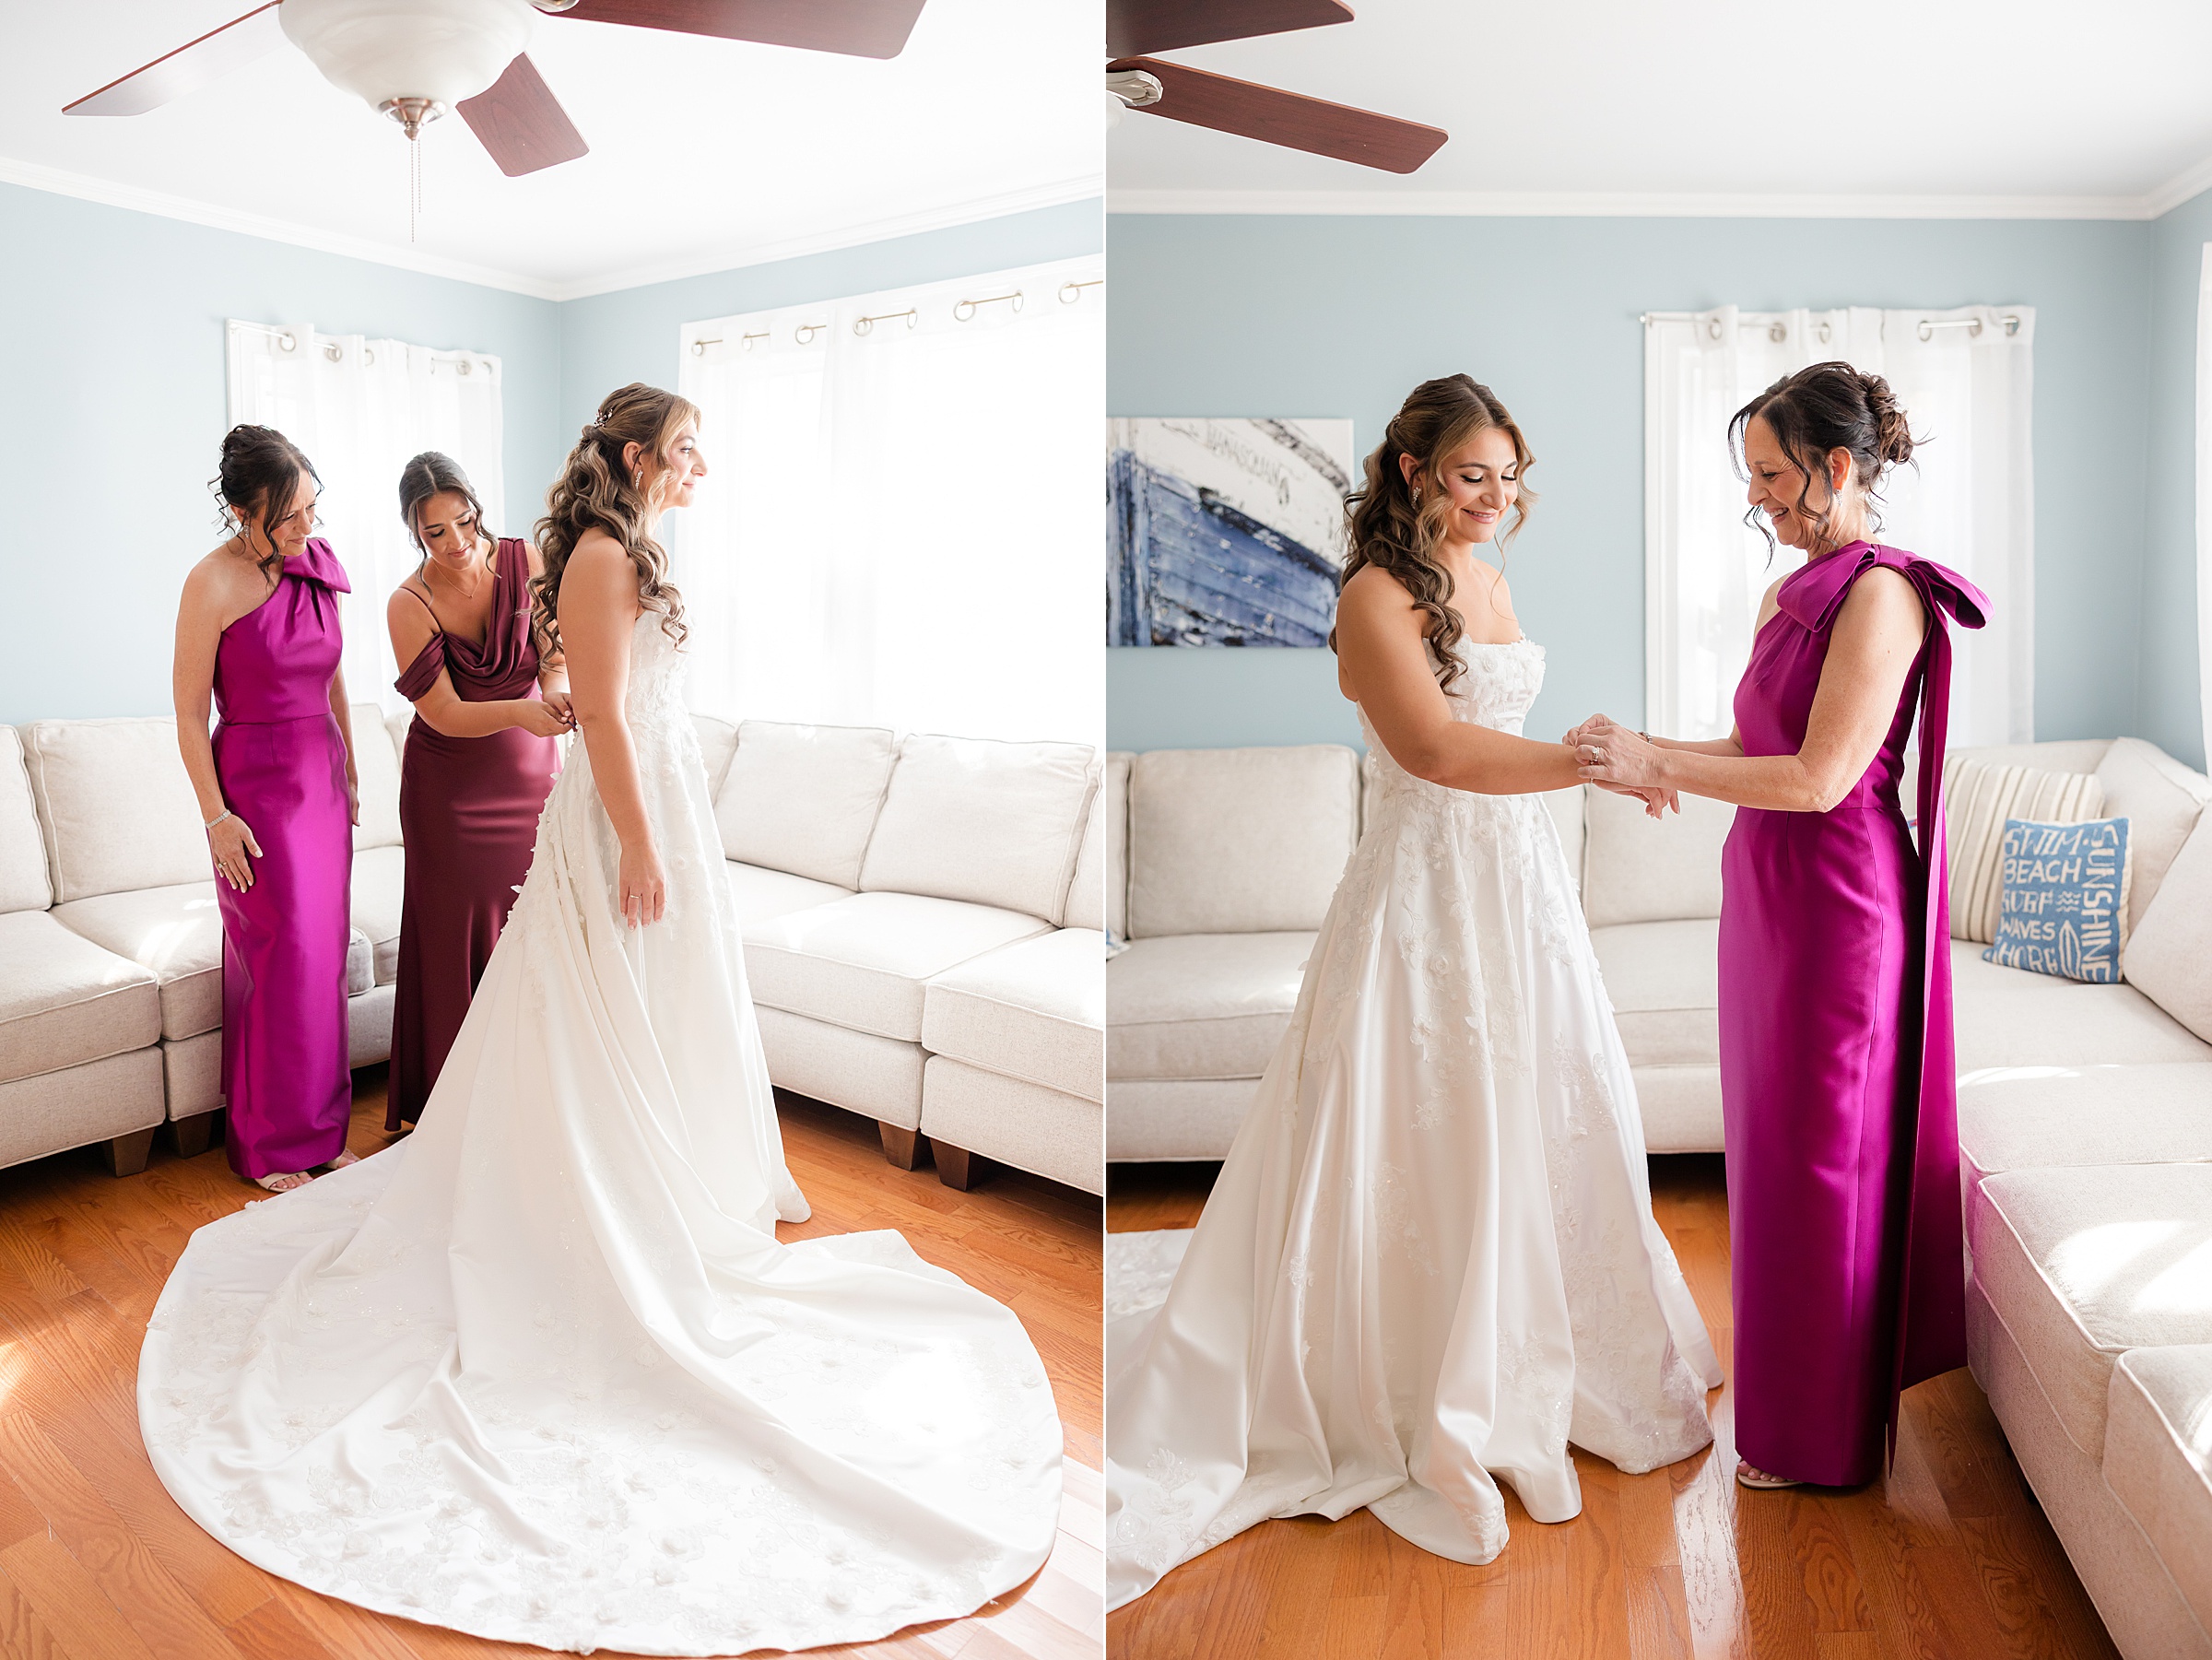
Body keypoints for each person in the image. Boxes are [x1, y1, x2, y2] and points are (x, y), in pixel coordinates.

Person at [138, 384, 1062, 1655]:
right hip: (603, 804)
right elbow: (602, 715)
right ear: (634, 457)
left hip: (630, 795)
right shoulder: (593, 552)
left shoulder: (591, 554)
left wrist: (624, 784)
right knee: (565, 1010)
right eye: (686, 452)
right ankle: (558, 1196)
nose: (700, 470)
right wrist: (633, 834)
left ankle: (667, 1187)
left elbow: (597, 685)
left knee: (648, 1011)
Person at [1105, 374, 1719, 1610]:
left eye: (1507, 475)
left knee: (1544, 1108)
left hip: (1518, 884)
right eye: (1469, 475)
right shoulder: (1375, 595)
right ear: (1410, 474)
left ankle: (1549, 1343)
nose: (1495, 497)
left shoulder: (1485, 577)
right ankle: (1414, 1371)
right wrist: (1592, 761)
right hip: (1425, 893)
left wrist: (1584, 760)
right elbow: (1437, 749)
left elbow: (1494, 722)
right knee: (1428, 1118)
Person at [1571, 361, 1984, 1489]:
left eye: (1768, 474)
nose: (1755, 497)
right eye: (1749, 474)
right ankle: (1791, 1411)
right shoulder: (1790, 592)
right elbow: (1755, 744)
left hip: (1843, 910)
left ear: (1836, 466)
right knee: (1772, 1158)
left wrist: (1664, 765)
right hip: (1767, 899)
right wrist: (1642, 750)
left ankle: (1826, 1442)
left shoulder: (1883, 598)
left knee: (1824, 1168)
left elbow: (1818, 778)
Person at [172, 426, 362, 1193]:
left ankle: (321, 1133)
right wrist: (216, 817)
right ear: (238, 509)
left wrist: (350, 767)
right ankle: (268, 1145)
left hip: (320, 777)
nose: (304, 528)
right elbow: (188, 714)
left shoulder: (316, 566)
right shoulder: (209, 582)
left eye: (311, 508)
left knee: (323, 957)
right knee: (276, 959)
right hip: (253, 787)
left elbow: (335, 674)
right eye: (286, 515)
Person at [384, 451, 570, 1130]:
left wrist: (555, 697)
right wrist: (522, 713)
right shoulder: (409, 604)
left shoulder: (530, 563)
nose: (457, 543)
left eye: (464, 522)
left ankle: (524, 1095)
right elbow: (444, 713)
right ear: (414, 531)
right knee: (454, 937)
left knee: (529, 928)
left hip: (531, 781)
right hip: (449, 793)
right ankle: (454, 1109)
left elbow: (552, 660)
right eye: (436, 533)